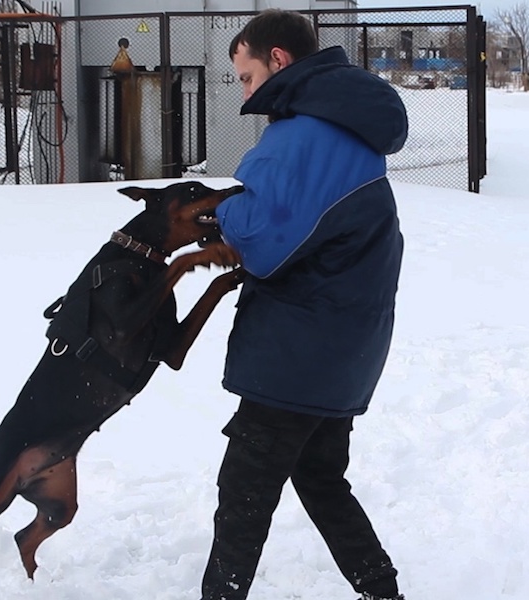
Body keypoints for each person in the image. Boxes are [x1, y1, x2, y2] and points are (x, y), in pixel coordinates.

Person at [201, 9, 408, 600]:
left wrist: (221, 210)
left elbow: (263, 241)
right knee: (319, 476)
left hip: (298, 352)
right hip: (343, 344)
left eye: (245, 76)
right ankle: (381, 589)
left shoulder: (304, 136)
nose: (244, 90)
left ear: (279, 61)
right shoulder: (342, 127)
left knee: (244, 492)